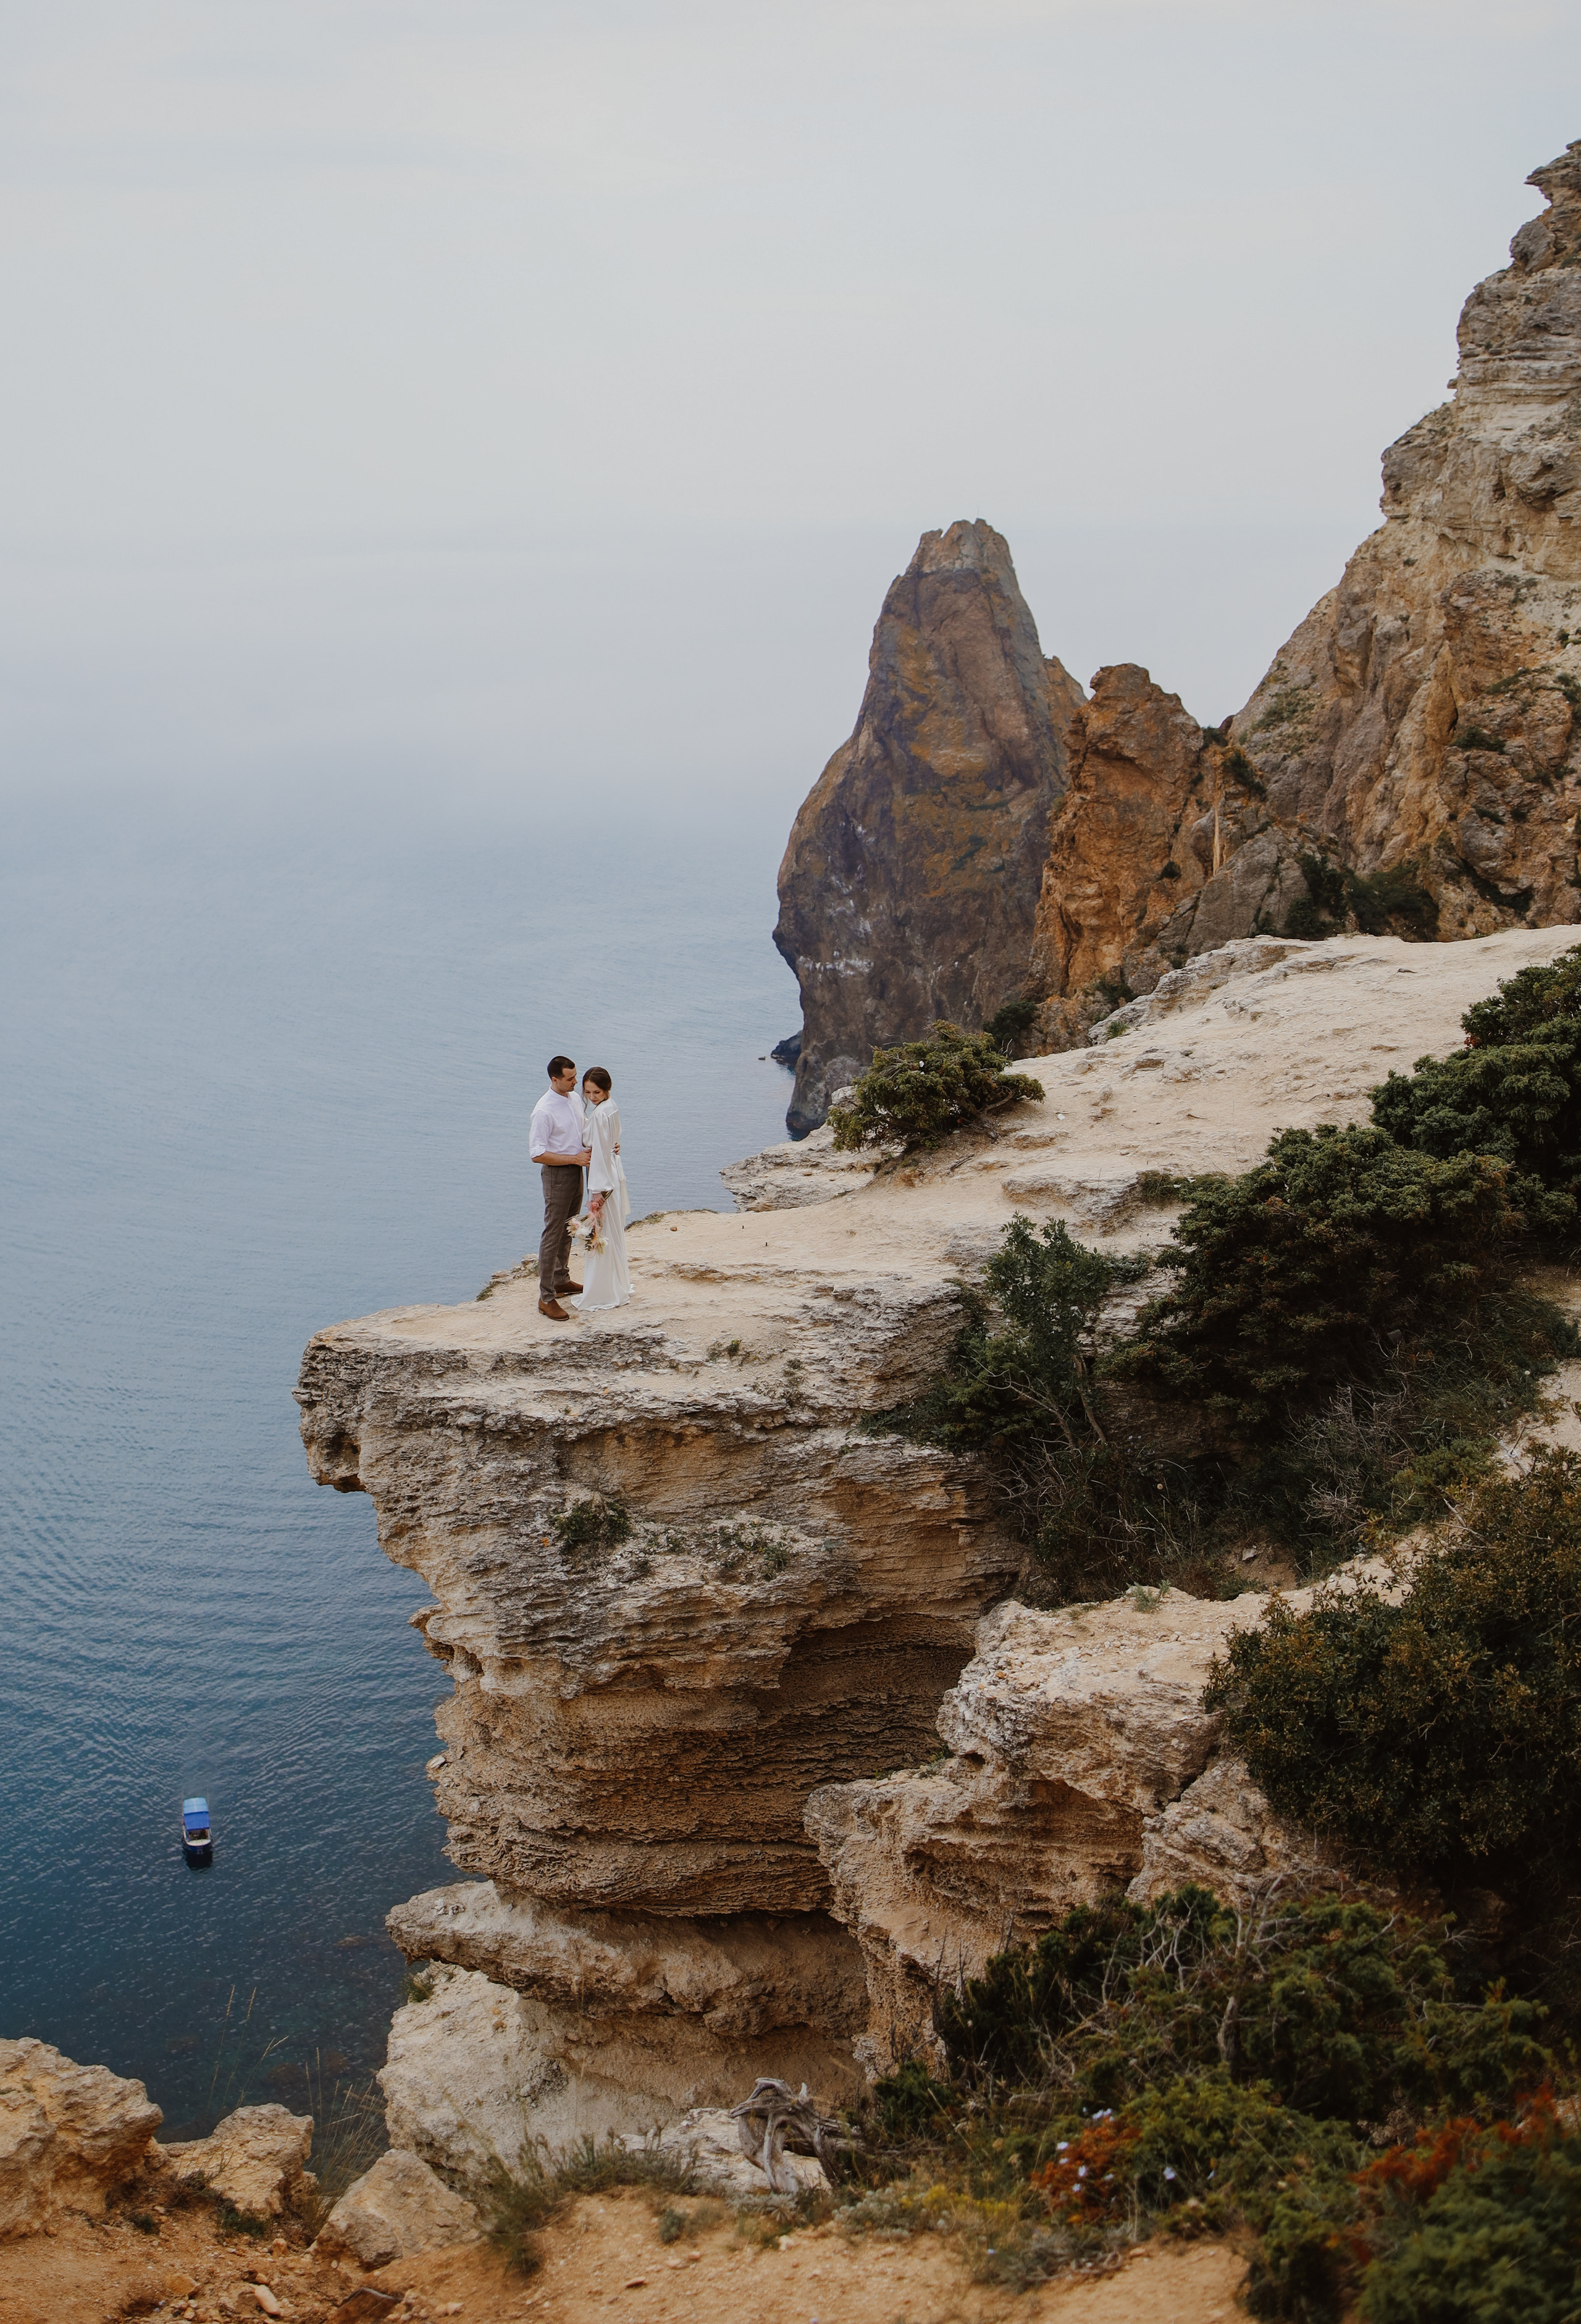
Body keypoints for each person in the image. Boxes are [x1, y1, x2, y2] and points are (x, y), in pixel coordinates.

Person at [529, 1055, 591, 1322]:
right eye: (570, 1078)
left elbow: (584, 1131)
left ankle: (561, 1279)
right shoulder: (543, 1111)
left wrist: (605, 1143)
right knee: (553, 1233)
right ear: (555, 1079)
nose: (576, 1082)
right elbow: (537, 1154)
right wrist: (574, 1159)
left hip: (576, 1169)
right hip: (557, 1174)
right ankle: (546, 1298)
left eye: (575, 1076)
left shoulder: (574, 1098)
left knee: (570, 1226)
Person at [572, 1068, 632, 1313]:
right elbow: (611, 1142)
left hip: (603, 1178)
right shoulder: (611, 1106)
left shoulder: (599, 1114)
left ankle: (603, 1291)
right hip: (613, 1173)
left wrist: (597, 1192)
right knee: (612, 1232)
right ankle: (617, 1284)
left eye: (596, 1092)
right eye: (587, 1092)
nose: (592, 1097)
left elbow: (598, 1155)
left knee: (601, 1233)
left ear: (607, 1089)